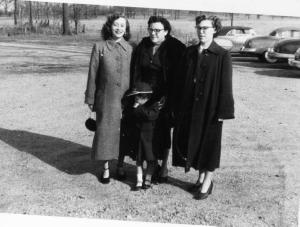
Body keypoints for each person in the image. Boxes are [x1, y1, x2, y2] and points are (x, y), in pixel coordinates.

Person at [117, 15, 186, 183]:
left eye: (157, 30)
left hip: (165, 97)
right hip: (143, 94)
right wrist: (135, 95)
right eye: (151, 30)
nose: (153, 33)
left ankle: (162, 168)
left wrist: (171, 100)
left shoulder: (176, 48)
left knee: (163, 132)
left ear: (166, 31)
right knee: (142, 130)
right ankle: (143, 164)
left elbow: (181, 77)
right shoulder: (143, 45)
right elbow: (136, 70)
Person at [172, 15, 235, 200]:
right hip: (191, 108)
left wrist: (224, 111)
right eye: (199, 27)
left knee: (210, 146)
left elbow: (226, 86)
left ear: (214, 30)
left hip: (211, 109)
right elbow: (182, 81)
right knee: (195, 142)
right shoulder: (190, 52)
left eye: (206, 28)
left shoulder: (222, 55)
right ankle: (200, 177)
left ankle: (208, 181)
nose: (201, 31)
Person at [84, 13, 133, 184]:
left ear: (126, 29)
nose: (119, 28)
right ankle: (105, 168)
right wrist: (90, 97)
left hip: (126, 100)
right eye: (116, 25)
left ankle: (120, 165)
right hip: (106, 98)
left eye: (122, 25)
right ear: (109, 27)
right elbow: (93, 74)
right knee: (105, 133)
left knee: (123, 135)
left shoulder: (131, 49)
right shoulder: (99, 47)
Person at [120, 82, 165, 190]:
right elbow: (129, 118)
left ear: (145, 97)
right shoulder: (134, 107)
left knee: (151, 160)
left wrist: (138, 108)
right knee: (139, 161)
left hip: (150, 139)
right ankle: (139, 181)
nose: (136, 99)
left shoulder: (154, 106)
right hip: (139, 139)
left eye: (138, 97)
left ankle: (148, 179)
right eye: (135, 97)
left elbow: (150, 116)